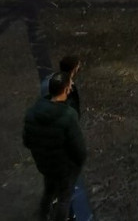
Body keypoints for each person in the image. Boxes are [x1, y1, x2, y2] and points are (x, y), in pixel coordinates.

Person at [24, 72, 86, 221]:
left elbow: (27, 141)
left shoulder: (32, 113)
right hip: (63, 167)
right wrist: (77, 164)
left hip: (44, 164)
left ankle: (43, 214)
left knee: (49, 189)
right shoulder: (68, 116)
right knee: (65, 198)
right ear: (65, 90)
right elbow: (78, 149)